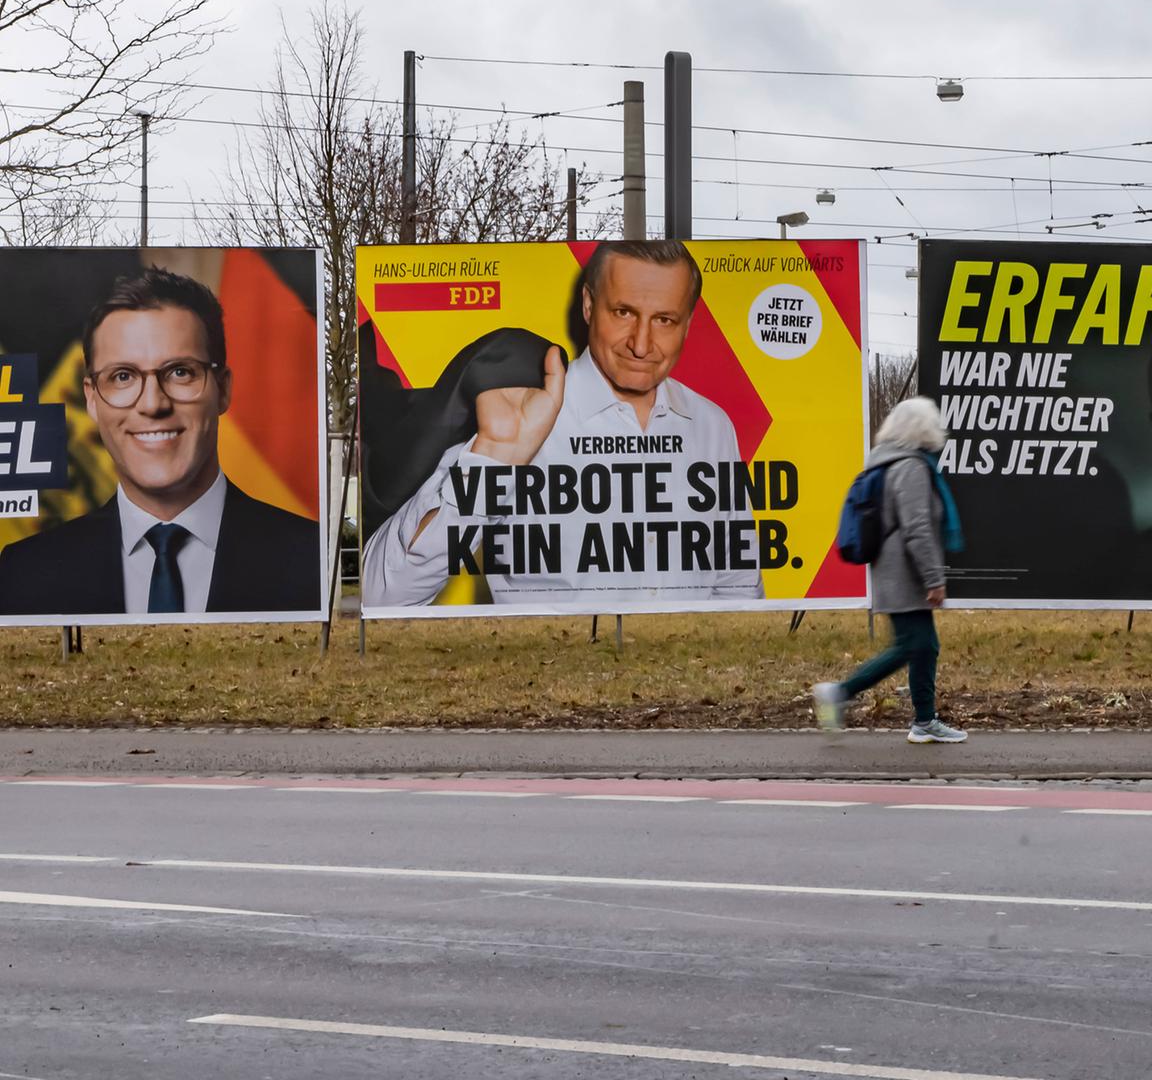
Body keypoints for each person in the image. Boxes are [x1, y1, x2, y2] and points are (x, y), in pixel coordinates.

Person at [361, 239, 765, 607]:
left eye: (664, 320)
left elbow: (737, 585)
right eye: (623, 312)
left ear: (688, 323)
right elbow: (384, 596)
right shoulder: (524, 414)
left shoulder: (711, 425)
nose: (641, 345)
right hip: (554, 681)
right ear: (589, 305)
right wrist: (492, 458)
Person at [0, 267, 321, 616]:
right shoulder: (23, 574)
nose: (153, 404)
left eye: (180, 372)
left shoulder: (313, 561)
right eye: (122, 376)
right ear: (91, 399)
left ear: (224, 389)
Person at [812, 396, 967, 743]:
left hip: (893, 569)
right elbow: (917, 527)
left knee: (924, 645)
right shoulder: (910, 467)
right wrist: (933, 578)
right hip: (905, 573)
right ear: (922, 429)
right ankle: (840, 692)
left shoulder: (887, 463)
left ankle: (925, 722)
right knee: (911, 645)